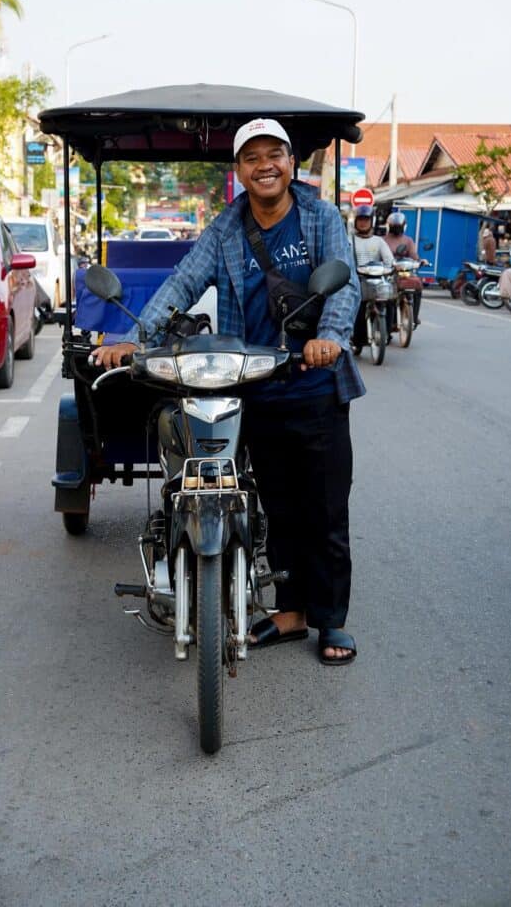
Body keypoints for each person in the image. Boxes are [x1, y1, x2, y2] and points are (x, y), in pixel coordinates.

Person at [93, 117, 365, 664]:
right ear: (239, 170)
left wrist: (329, 339)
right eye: (251, 157)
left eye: (274, 155)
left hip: (313, 383)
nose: (264, 165)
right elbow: (181, 284)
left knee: (326, 511)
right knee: (278, 507)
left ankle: (331, 621)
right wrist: (132, 339)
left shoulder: (321, 216)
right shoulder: (226, 229)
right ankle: (289, 614)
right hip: (254, 385)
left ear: (290, 163)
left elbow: (344, 283)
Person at [350, 205, 394, 345]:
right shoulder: (349, 240)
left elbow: (389, 260)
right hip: (356, 280)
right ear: (355, 222)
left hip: (376, 280)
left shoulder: (379, 241)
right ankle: (356, 337)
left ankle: (387, 331)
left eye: (366, 219)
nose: (363, 223)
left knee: (390, 299)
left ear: (372, 221)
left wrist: (393, 266)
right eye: (360, 219)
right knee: (357, 308)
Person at [383, 210, 425, 326]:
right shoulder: (383, 240)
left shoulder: (408, 240)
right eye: (394, 226)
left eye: (398, 226)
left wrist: (420, 261)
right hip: (388, 274)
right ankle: (388, 323)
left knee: (417, 285)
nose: (396, 228)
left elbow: (414, 256)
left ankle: (414, 317)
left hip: (404, 273)